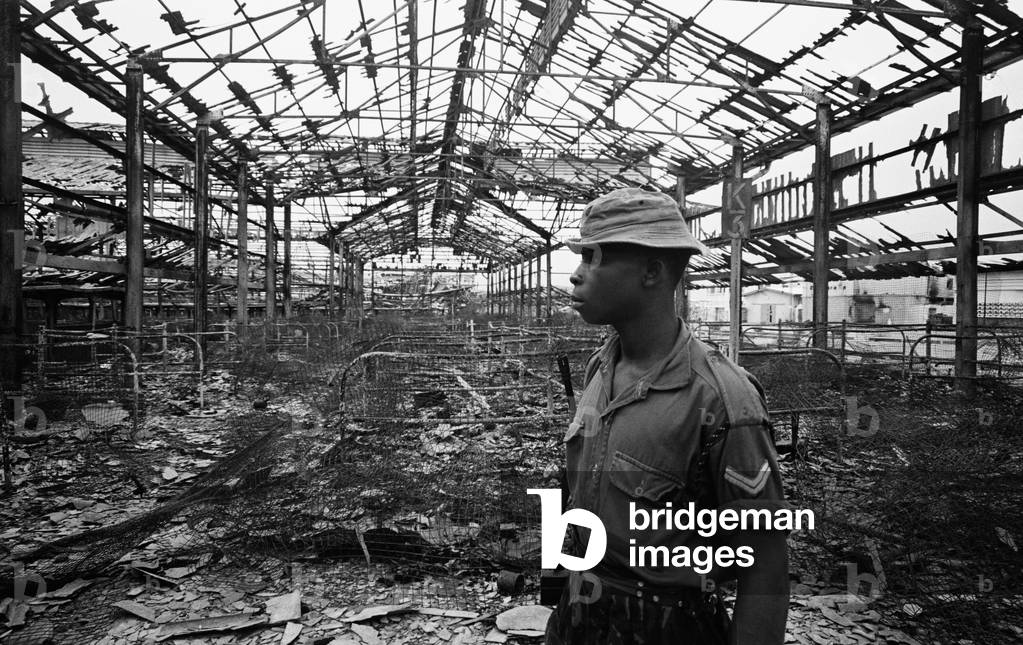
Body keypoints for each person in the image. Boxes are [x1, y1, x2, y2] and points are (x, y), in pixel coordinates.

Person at [545, 187, 790, 645]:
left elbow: (766, 571)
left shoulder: (723, 402)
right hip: (579, 614)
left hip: (667, 625)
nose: (576, 276)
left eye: (594, 259)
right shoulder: (603, 366)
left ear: (653, 272)